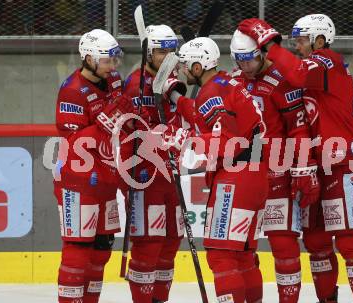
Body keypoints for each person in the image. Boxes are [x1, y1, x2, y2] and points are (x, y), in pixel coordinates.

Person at [238, 15, 353, 303]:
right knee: (316, 243)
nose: (297, 46)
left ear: (320, 40)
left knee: (350, 244)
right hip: (317, 165)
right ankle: (328, 299)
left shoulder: (328, 60)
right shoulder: (306, 70)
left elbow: (298, 71)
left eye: (301, 41)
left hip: (342, 164)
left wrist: (270, 43)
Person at [167, 36, 268, 303]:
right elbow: (203, 116)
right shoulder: (224, 83)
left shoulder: (212, 93)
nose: (183, 71)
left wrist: (186, 140)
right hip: (254, 174)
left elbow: (228, 143)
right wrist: (176, 96)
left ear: (198, 67)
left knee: (221, 255)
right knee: (242, 256)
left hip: (236, 176)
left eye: (186, 66)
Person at [229, 29, 319, 303]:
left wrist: (304, 167)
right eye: (239, 60)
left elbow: (298, 128)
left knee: (283, 244)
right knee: (241, 247)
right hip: (247, 173)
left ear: (262, 54)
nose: (246, 66)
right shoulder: (233, 81)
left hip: (279, 169)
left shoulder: (282, 81)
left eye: (250, 60)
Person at [54, 29, 133, 303]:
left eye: (115, 60)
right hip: (78, 180)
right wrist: (106, 120)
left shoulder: (112, 80)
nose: (113, 67)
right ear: (88, 58)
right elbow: (73, 143)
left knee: (101, 249)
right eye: (107, 60)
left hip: (106, 178)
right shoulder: (72, 91)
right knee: (78, 250)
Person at [123, 24, 193, 303]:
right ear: (150, 53)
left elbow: (182, 117)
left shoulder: (174, 79)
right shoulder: (134, 82)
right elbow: (130, 127)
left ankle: (158, 299)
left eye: (171, 52)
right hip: (144, 175)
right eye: (162, 52)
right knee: (148, 243)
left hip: (170, 171)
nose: (168, 57)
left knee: (172, 239)